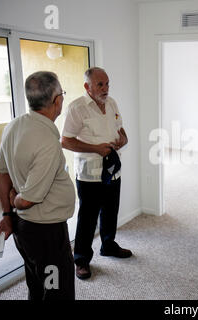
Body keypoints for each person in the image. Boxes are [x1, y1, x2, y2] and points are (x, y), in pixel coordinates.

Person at [0, 71, 75, 300]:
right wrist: (15, 201)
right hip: (46, 233)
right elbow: (28, 199)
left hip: (25, 231)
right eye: (63, 94)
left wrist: (8, 214)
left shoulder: (14, 126)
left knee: (38, 282)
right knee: (57, 289)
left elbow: (1, 173)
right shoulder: (48, 142)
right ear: (57, 100)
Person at [61, 67, 131, 280]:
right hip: (89, 175)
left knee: (111, 212)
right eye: (100, 84)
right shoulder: (77, 108)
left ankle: (108, 245)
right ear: (87, 86)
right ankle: (81, 259)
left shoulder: (112, 103)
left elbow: (121, 130)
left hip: (112, 170)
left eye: (107, 83)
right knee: (88, 218)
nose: (105, 88)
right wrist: (95, 148)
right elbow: (66, 141)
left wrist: (123, 140)